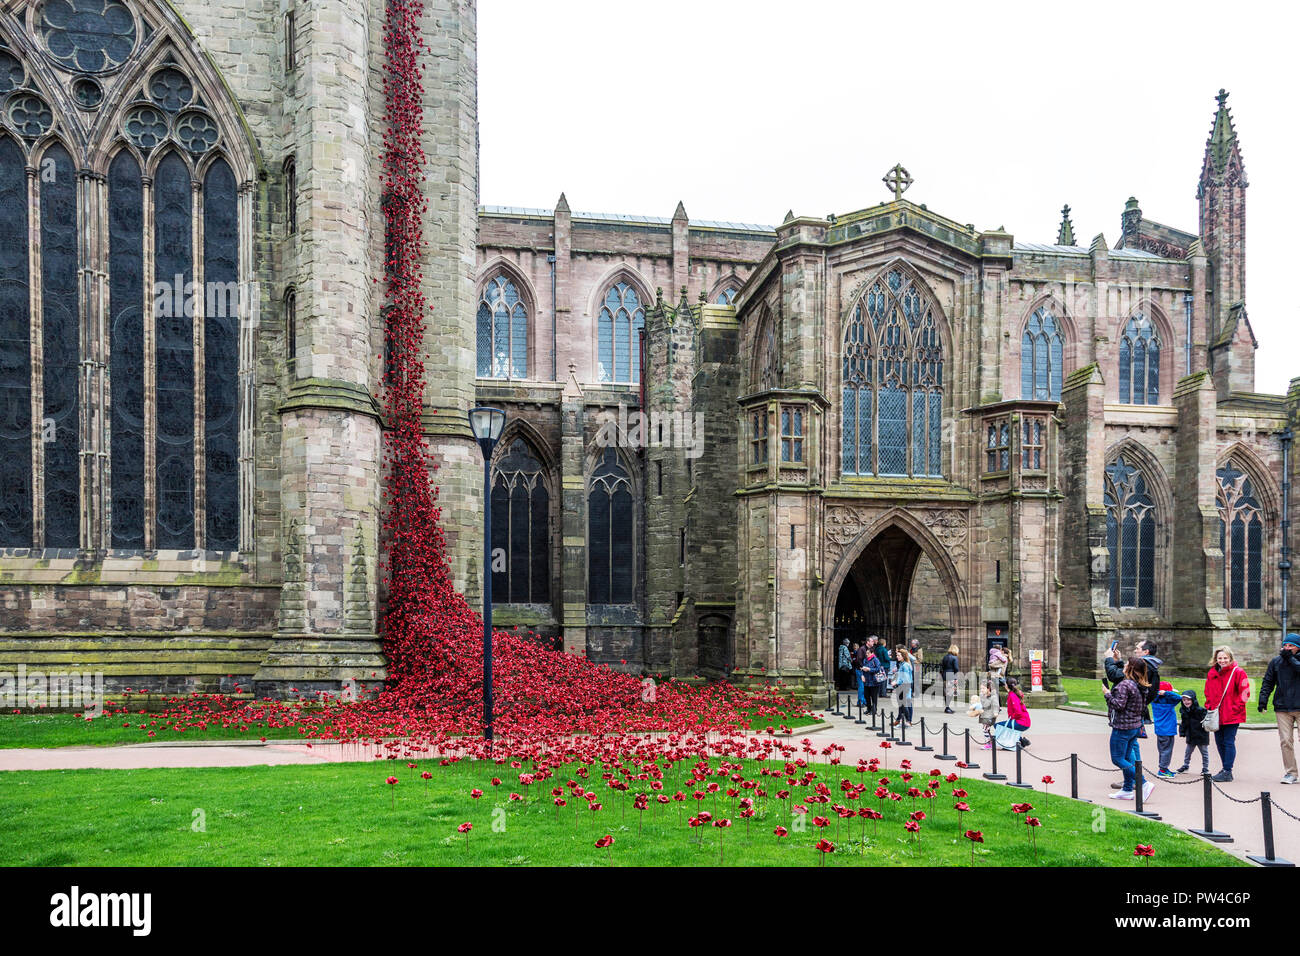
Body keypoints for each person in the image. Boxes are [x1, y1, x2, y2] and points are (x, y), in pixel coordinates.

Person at [1104, 639, 1161, 789]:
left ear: (1146, 651)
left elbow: (1116, 676)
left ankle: (1139, 780)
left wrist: (1109, 659)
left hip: (1127, 719)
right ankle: (1129, 784)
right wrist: (1119, 661)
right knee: (1131, 748)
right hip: (1135, 715)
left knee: (1121, 755)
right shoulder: (1145, 666)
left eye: (1138, 648)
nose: (1135, 650)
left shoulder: (1144, 666)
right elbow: (1125, 673)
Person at [1204, 645, 1251, 782]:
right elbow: (1208, 691)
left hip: (1232, 714)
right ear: (1215, 659)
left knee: (1228, 741)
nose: (1222, 660)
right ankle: (1225, 768)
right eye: (1220, 658)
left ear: (1230, 658)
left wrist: (1235, 708)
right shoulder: (1212, 672)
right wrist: (1209, 705)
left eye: (1225, 658)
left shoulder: (1238, 672)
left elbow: (1245, 693)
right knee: (1219, 742)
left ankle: (1227, 770)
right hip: (1216, 713)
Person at [1259, 634, 1300, 784]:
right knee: (1285, 741)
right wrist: (1263, 700)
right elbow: (1268, 682)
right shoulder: (1276, 662)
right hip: (1282, 707)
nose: (1287, 648)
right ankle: (1291, 773)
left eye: (1291, 646)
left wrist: (1290, 659)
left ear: (1298, 647)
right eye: (1285, 645)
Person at [1175, 690, 1211, 776]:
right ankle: (1185, 766)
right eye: (1184, 700)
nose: (1186, 702)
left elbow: (1206, 721)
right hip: (1191, 735)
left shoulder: (1200, 710)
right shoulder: (1183, 710)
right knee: (1188, 752)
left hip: (1201, 735)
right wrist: (1182, 731)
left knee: (1204, 753)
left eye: (1188, 700)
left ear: (1193, 700)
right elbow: (1184, 722)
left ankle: (1205, 768)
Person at [1151, 681, 1182, 778]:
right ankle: (1163, 769)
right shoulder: (1170, 702)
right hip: (1168, 730)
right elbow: (1179, 698)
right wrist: (1167, 693)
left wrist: (1160, 693)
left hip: (1159, 729)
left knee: (1162, 750)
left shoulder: (1154, 701)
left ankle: (1162, 767)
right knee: (1167, 750)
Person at [994, 675, 1031, 748]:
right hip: (1023, 721)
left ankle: (1015, 742)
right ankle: (1022, 741)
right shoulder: (1014, 693)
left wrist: (1011, 718)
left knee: (997, 726)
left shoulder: (1012, 695)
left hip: (1022, 722)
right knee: (1007, 726)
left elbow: (1018, 712)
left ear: (1007, 686)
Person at [892, 647, 915, 727]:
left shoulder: (905, 665)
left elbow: (906, 679)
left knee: (904, 705)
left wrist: (896, 682)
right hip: (902, 686)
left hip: (904, 686)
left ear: (903, 656)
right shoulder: (903, 664)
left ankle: (908, 721)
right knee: (902, 705)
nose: (897, 657)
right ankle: (902, 721)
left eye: (898, 655)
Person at [977, 679, 1000, 749]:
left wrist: (996, 712)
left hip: (990, 715)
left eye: (983, 688)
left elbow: (996, 705)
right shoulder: (982, 695)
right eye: (981, 688)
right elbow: (979, 703)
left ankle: (988, 744)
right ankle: (990, 742)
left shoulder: (993, 696)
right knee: (986, 729)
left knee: (985, 729)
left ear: (988, 688)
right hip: (984, 714)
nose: (982, 690)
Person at [863, 640, 883, 716]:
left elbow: (878, 669)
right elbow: (863, 668)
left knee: (874, 697)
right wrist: (862, 674)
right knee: (866, 696)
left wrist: (870, 669)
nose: (866, 654)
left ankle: (874, 710)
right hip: (866, 681)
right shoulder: (865, 660)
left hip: (874, 681)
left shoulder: (875, 660)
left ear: (872, 653)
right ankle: (868, 708)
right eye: (866, 653)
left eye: (868, 653)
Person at [939, 643, 960, 714]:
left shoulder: (945, 657)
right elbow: (956, 668)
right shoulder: (954, 658)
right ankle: (947, 708)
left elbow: (942, 667)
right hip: (951, 675)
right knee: (950, 692)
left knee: (946, 692)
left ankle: (947, 707)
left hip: (945, 675)